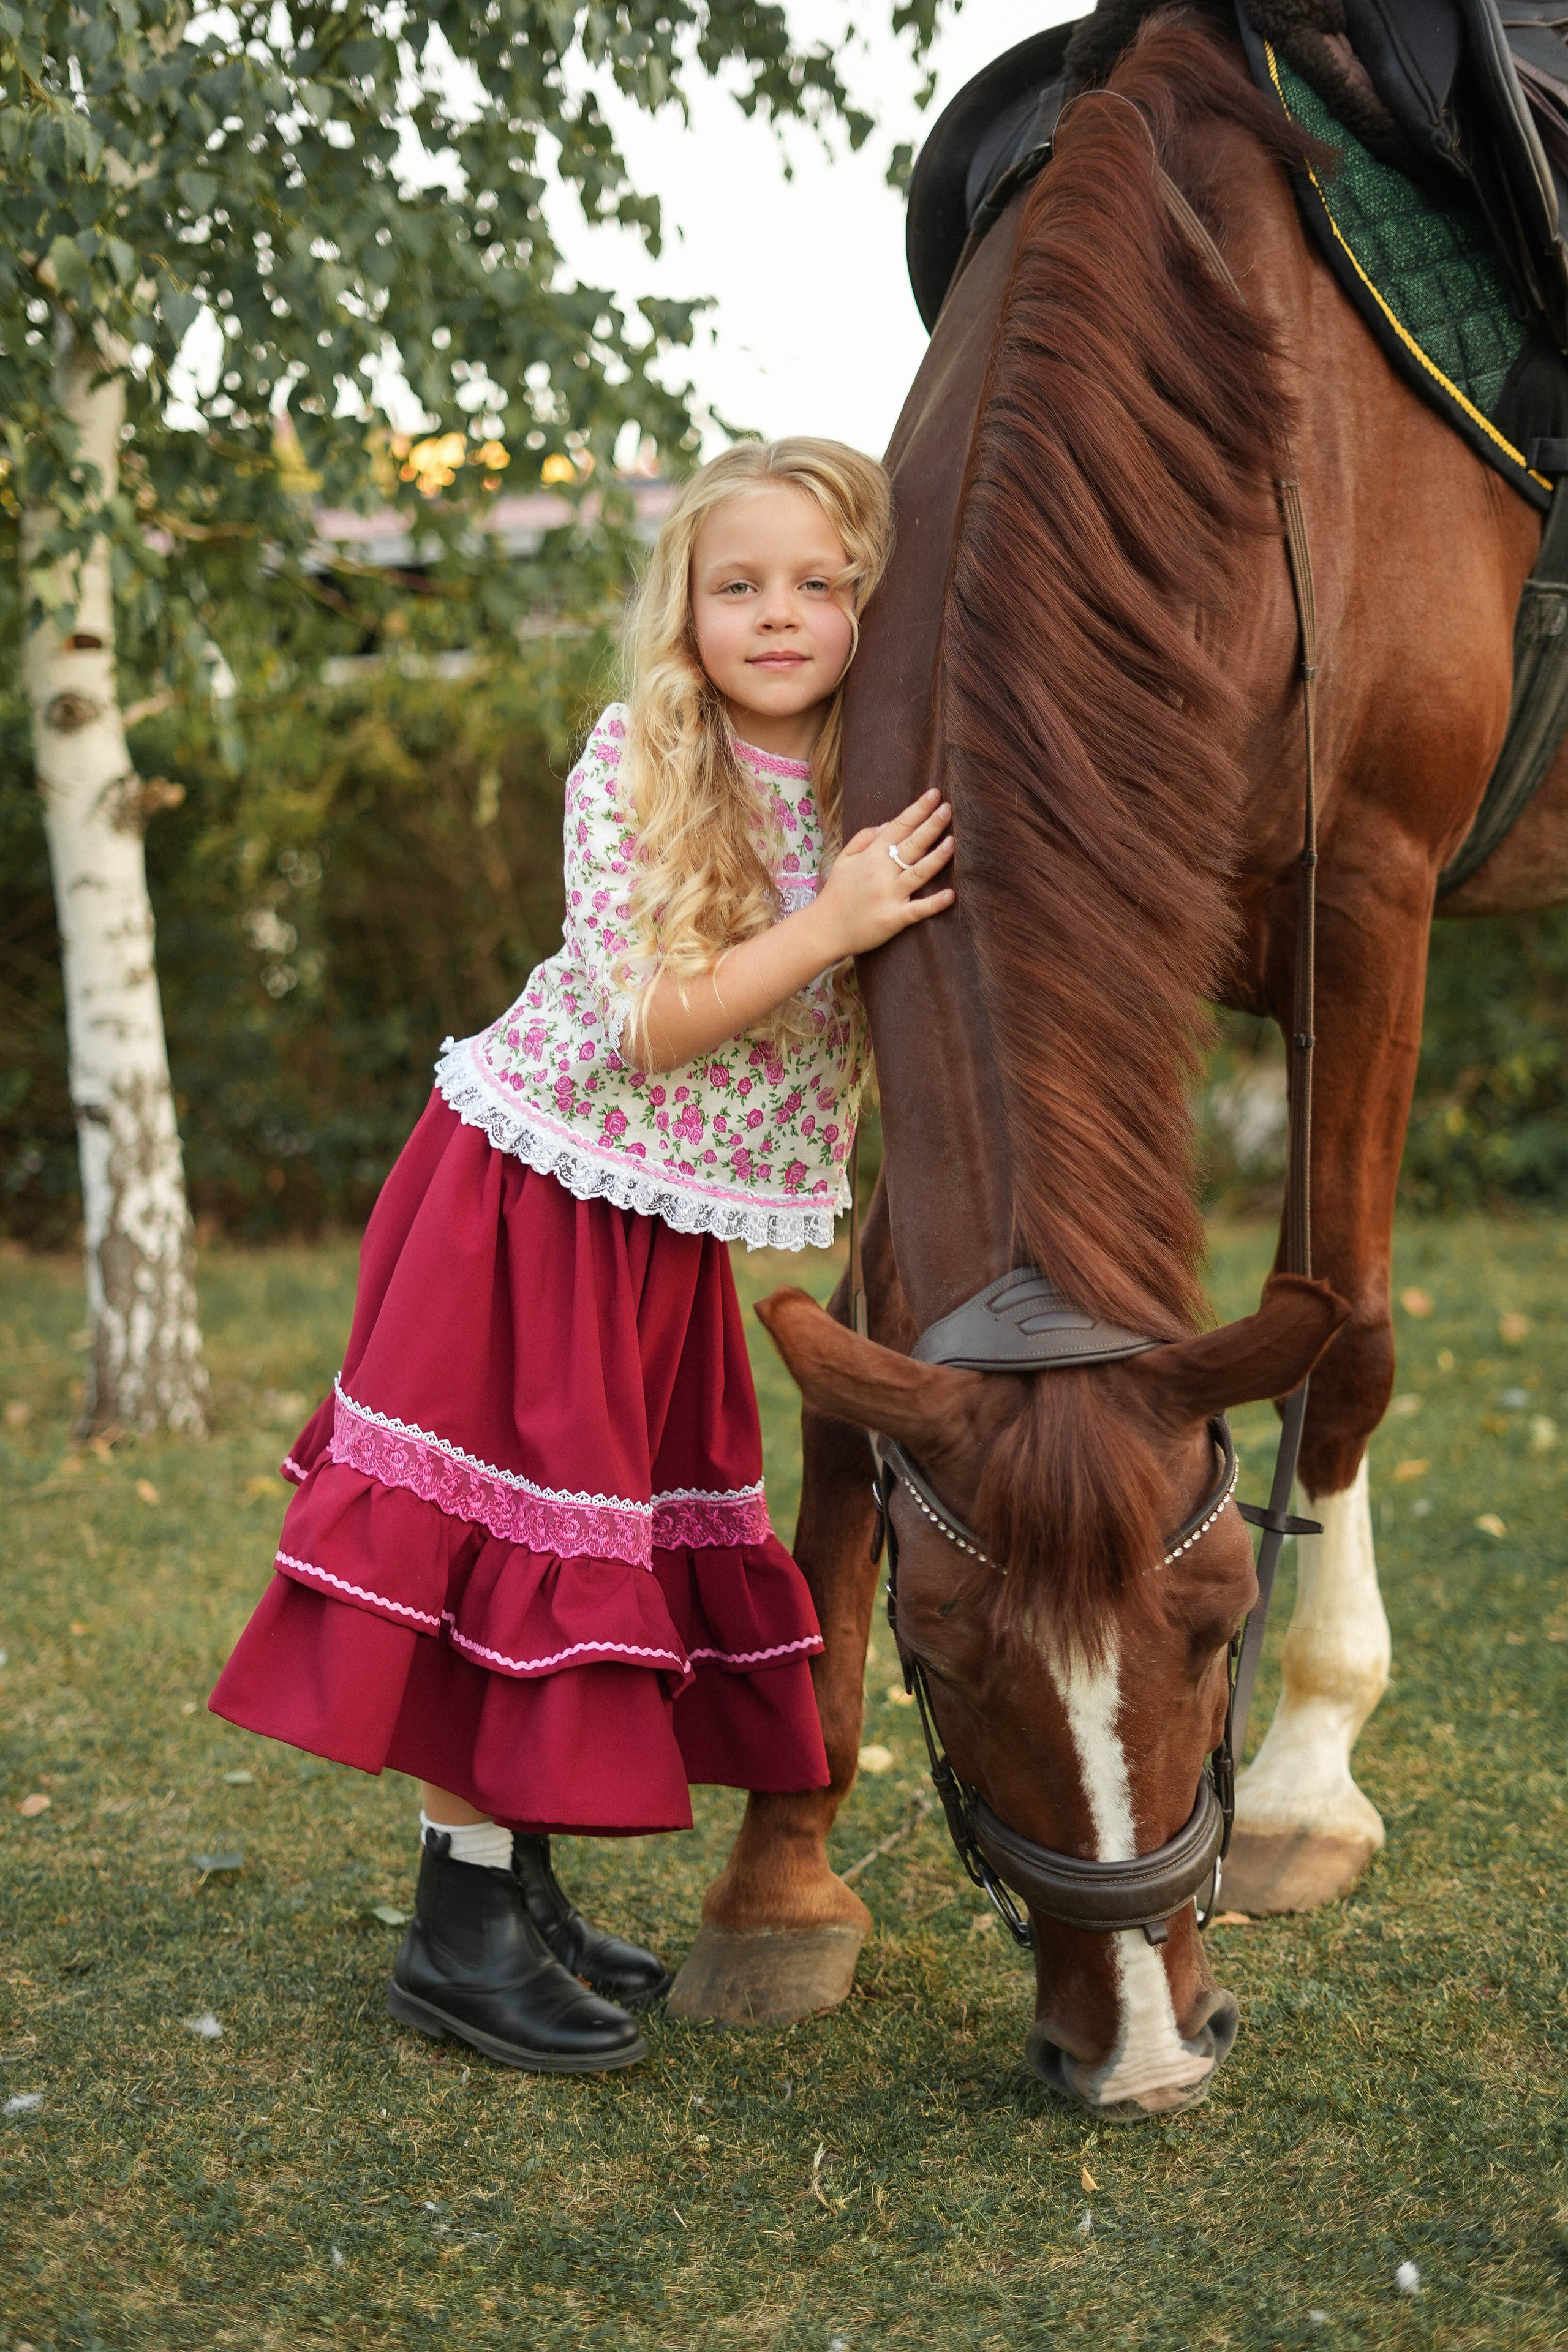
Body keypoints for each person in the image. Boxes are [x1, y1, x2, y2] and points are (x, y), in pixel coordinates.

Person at [210, 437, 957, 2073]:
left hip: (661, 1225)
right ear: (684, 607)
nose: (778, 615)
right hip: (531, 1195)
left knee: (596, 1542)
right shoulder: (641, 759)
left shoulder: (877, 779)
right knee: (507, 1540)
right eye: (738, 585)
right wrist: (830, 924)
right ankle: (456, 1933)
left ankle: (519, 1886)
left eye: (818, 584)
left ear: (870, 606)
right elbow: (644, 1028)